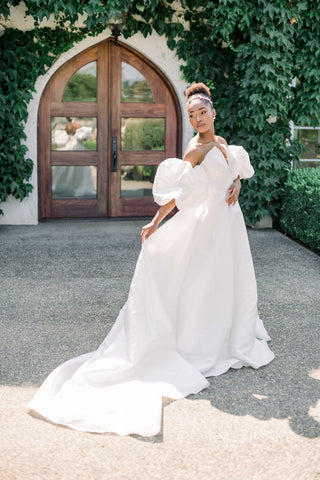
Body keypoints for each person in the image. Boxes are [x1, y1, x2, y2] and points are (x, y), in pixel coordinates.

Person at [28, 83, 274, 437]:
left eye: (202, 112)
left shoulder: (220, 143)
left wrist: (237, 184)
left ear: (213, 112)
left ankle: (228, 332)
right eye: (191, 115)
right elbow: (179, 193)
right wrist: (157, 221)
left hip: (228, 224)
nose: (197, 119)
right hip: (208, 226)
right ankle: (203, 340)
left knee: (228, 279)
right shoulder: (196, 148)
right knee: (205, 282)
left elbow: (231, 171)